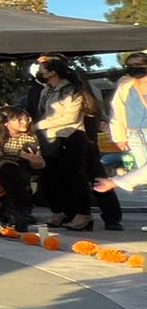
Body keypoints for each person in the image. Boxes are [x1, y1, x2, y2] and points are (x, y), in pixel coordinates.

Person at [32, 53, 102, 231]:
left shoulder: (72, 89)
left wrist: (39, 125)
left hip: (71, 136)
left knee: (74, 177)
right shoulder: (45, 90)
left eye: (43, 67)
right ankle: (61, 211)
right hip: (50, 138)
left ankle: (82, 214)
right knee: (52, 177)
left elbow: (70, 117)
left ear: (53, 71)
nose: (39, 70)